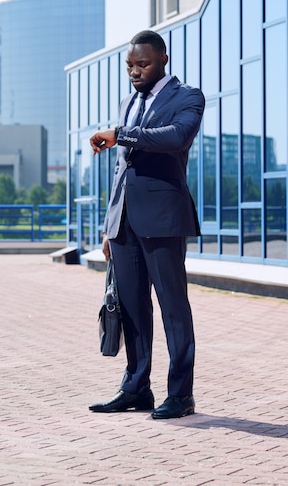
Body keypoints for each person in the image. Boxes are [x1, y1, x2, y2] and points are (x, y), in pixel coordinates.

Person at [89, 30, 205, 419]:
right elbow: (121, 169)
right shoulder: (127, 102)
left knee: (173, 308)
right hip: (125, 223)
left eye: (143, 64)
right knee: (134, 308)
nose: (135, 72)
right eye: (130, 66)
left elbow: (175, 137)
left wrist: (120, 133)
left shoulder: (187, 97)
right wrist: (110, 224)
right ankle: (136, 387)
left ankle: (181, 394)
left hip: (164, 219)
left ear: (163, 59)